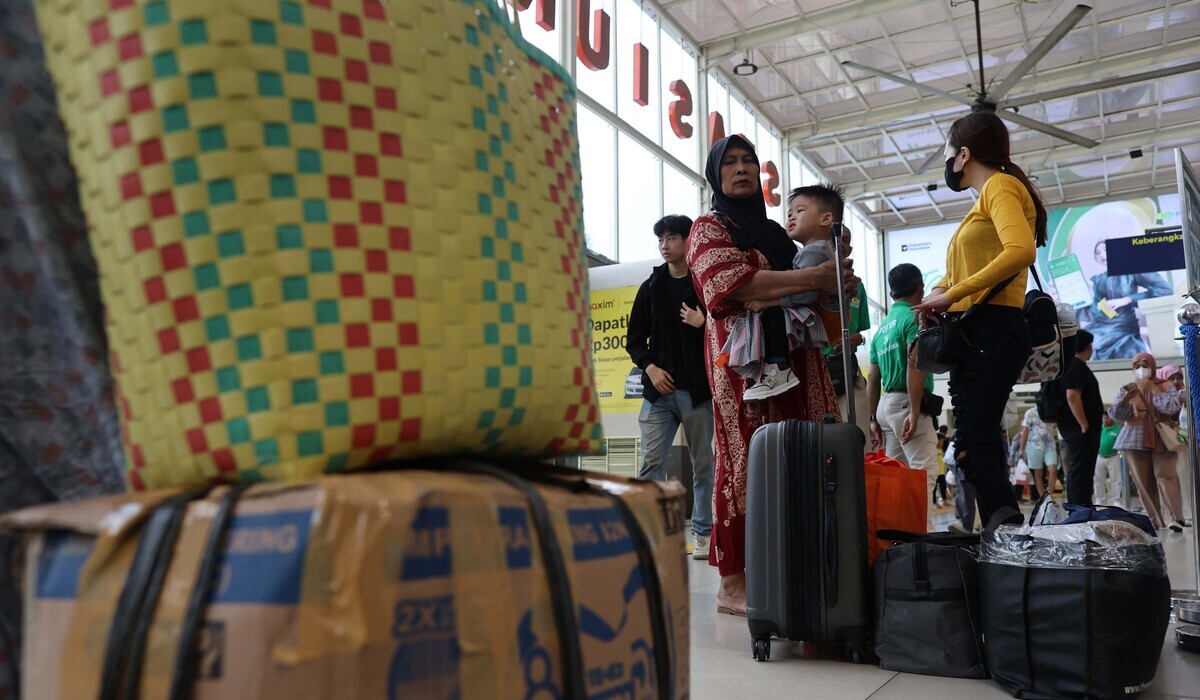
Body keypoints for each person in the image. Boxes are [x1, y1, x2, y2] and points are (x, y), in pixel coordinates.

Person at [686, 134, 856, 615]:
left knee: (808, 455)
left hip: (801, 361)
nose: (741, 169)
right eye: (730, 163)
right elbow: (731, 287)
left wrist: (836, 280)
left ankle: (795, 566)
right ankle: (733, 584)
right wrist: (812, 280)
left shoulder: (783, 236)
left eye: (749, 161)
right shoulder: (707, 229)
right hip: (743, 366)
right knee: (747, 459)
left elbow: (821, 289)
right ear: (715, 174)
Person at [913, 111, 1040, 530]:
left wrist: (953, 294)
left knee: (973, 445)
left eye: (949, 152)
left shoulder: (999, 185)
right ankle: (1004, 541)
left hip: (992, 327)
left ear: (964, 153)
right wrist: (942, 289)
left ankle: (1008, 543)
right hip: (986, 329)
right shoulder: (991, 194)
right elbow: (975, 267)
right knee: (978, 442)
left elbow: (1021, 250)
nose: (948, 162)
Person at [626, 215, 715, 560]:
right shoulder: (652, 286)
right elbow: (634, 339)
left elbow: (728, 332)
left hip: (695, 390)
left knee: (702, 464)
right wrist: (650, 368)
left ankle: (704, 532)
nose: (664, 245)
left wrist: (703, 322)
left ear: (687, 240)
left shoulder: (704, 284)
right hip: (657, 392)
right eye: (660, 239)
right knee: (651, 463)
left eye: (671, 238)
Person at [720, 183, 846, 402]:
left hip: (815, 317)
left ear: (825, 219)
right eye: (790, 213)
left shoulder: (815, 252)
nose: (791, 217)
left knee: (770, 315)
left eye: (800, 211)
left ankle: (778, 367)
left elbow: (805, 294)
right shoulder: (813, 250)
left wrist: (768, 301)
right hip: (818, 315)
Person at [868, 262, 940, 531]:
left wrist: (872, 417)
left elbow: (873, 378)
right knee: (924, 476)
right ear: (921, 288)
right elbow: (914, 364)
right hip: (906, 404)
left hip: (886, 406)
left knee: (896, 480)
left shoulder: (882, 329)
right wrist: (914, 408)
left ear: (890, 294)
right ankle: (927, 543)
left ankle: (899, 542)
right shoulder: (913, 318)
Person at [1108, 353, 1186, 532]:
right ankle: (1155, 521)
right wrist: (1126, 399)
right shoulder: (1128, 388)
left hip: (1162, 437)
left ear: (1153, 365)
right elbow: (1116, 415)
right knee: (1143, 482)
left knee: (1166, 476)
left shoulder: (1165, 385)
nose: (1140, 368)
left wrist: (1154, 389)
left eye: (1144, 364)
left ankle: (1176, 518)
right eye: (1136, 365)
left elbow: (1171, 408)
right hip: (1133, 438)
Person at [1083, 239, 1172, 361]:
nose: (1102, 255)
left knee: (1105, 344)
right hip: (1100, 325)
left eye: (1105, 250)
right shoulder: (1096, 280)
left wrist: (1128, 299)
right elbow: (1091, 308)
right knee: (1082, 341)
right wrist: (1091, 297)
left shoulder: (1131, 272)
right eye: (1097, 253)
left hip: (1124, 326)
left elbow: (1164, 289)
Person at [1059, 330, 1103, 505]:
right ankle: (1080, 509)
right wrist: (1084, 425)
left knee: (1079, 470)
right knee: (1081, 470)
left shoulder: (1070, 366)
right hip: (1081, 429)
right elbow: (1072, 396)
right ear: (1089, 347)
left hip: (1075, 428)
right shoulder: (1077, 366)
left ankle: (1079, 507)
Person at [827, 279, 871, 438]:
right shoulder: (810, 277)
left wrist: (859, 338)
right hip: (816, 367)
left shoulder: (857, 285)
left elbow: (858, 330)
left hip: (847, 369)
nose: (841, 252)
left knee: (859, 435)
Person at [1158, 364, 1192, 522]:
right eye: (1172, 378)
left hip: (1186, 445)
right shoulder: (1160, 397)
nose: (1177, 381)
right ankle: (1176, 514)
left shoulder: (1187, 396)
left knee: (1187, 477)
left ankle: (1189, 511)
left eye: (1179, 377)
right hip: (1168, 444)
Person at [1019, 404, 1057, 504]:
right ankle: (1044, 500)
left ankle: (1050, 496)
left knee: (1053, 469)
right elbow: (1025, 431)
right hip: (1034, 445)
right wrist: (1021, 450)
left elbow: (1054, 425)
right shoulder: (1030, 413)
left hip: (1049, 445)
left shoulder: (1050, 411)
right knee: (1038, 473)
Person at [1094, 413, 1124, 507]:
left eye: (1108, 418)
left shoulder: (1118, 429)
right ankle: (1100, 499)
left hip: (1113, 456)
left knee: (1116, 479)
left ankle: (1116, 500)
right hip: (1099, 456)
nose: (1105, 420)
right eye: (1104, 418)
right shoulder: (1099, 428)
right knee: (1098, 479)